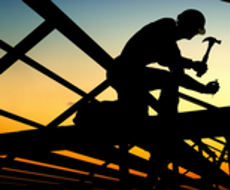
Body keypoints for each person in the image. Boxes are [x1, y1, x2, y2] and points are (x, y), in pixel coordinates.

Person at [107, 9, 219, 118]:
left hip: (129, 75)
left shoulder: (173, 47)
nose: (196, 33)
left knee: (136, 112)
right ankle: (168, 118)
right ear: (188, 24)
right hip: (123, 72)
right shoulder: (166, 26)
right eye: (198, 29)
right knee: (169, 81)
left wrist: (203, 88)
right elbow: (166, 59)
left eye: (200, 31)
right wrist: (193, 65)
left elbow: (179, 75)